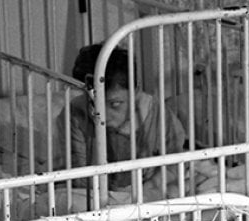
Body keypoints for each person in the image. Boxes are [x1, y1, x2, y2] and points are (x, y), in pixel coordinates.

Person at [61, 42, 189, 193]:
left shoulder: (155, 112)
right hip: (98, 192)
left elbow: (175, 163)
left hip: (148, 190)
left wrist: (142, 191)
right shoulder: (76, 113)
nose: (103, 114)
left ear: (135, 92)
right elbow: (80, 175)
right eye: (93, 103)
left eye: (115, 104)